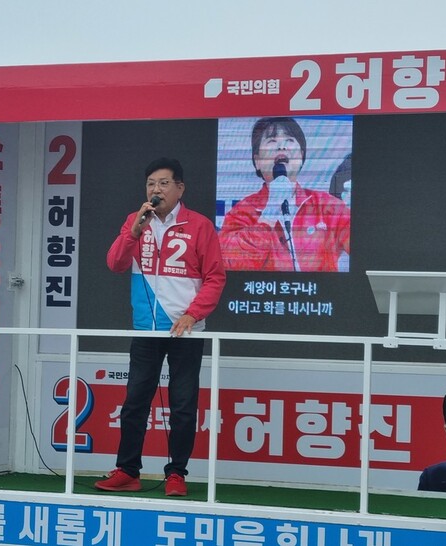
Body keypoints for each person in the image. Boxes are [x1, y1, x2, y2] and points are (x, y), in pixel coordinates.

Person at [96, 157, 226, 497]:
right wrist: (133, 231)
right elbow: (115, 264)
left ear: (180, 188)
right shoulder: (135, 221)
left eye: (164, 183)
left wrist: (193, 314)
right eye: (151, 183)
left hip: (185, 330)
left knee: (183, 405)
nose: (156, 190)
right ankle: (127, 470)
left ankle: (177, 474)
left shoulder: (199, 226)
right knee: (135, 401)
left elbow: (215, 277)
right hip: (145, 328)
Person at [219, 117, 351, 272]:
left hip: (317, 295)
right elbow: (230, 264)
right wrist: (270, 211)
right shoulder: (240, 213)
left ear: (301, 156)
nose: (282, 147)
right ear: (257, 161)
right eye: (272, 141)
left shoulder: (328, 206)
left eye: (289, 140)